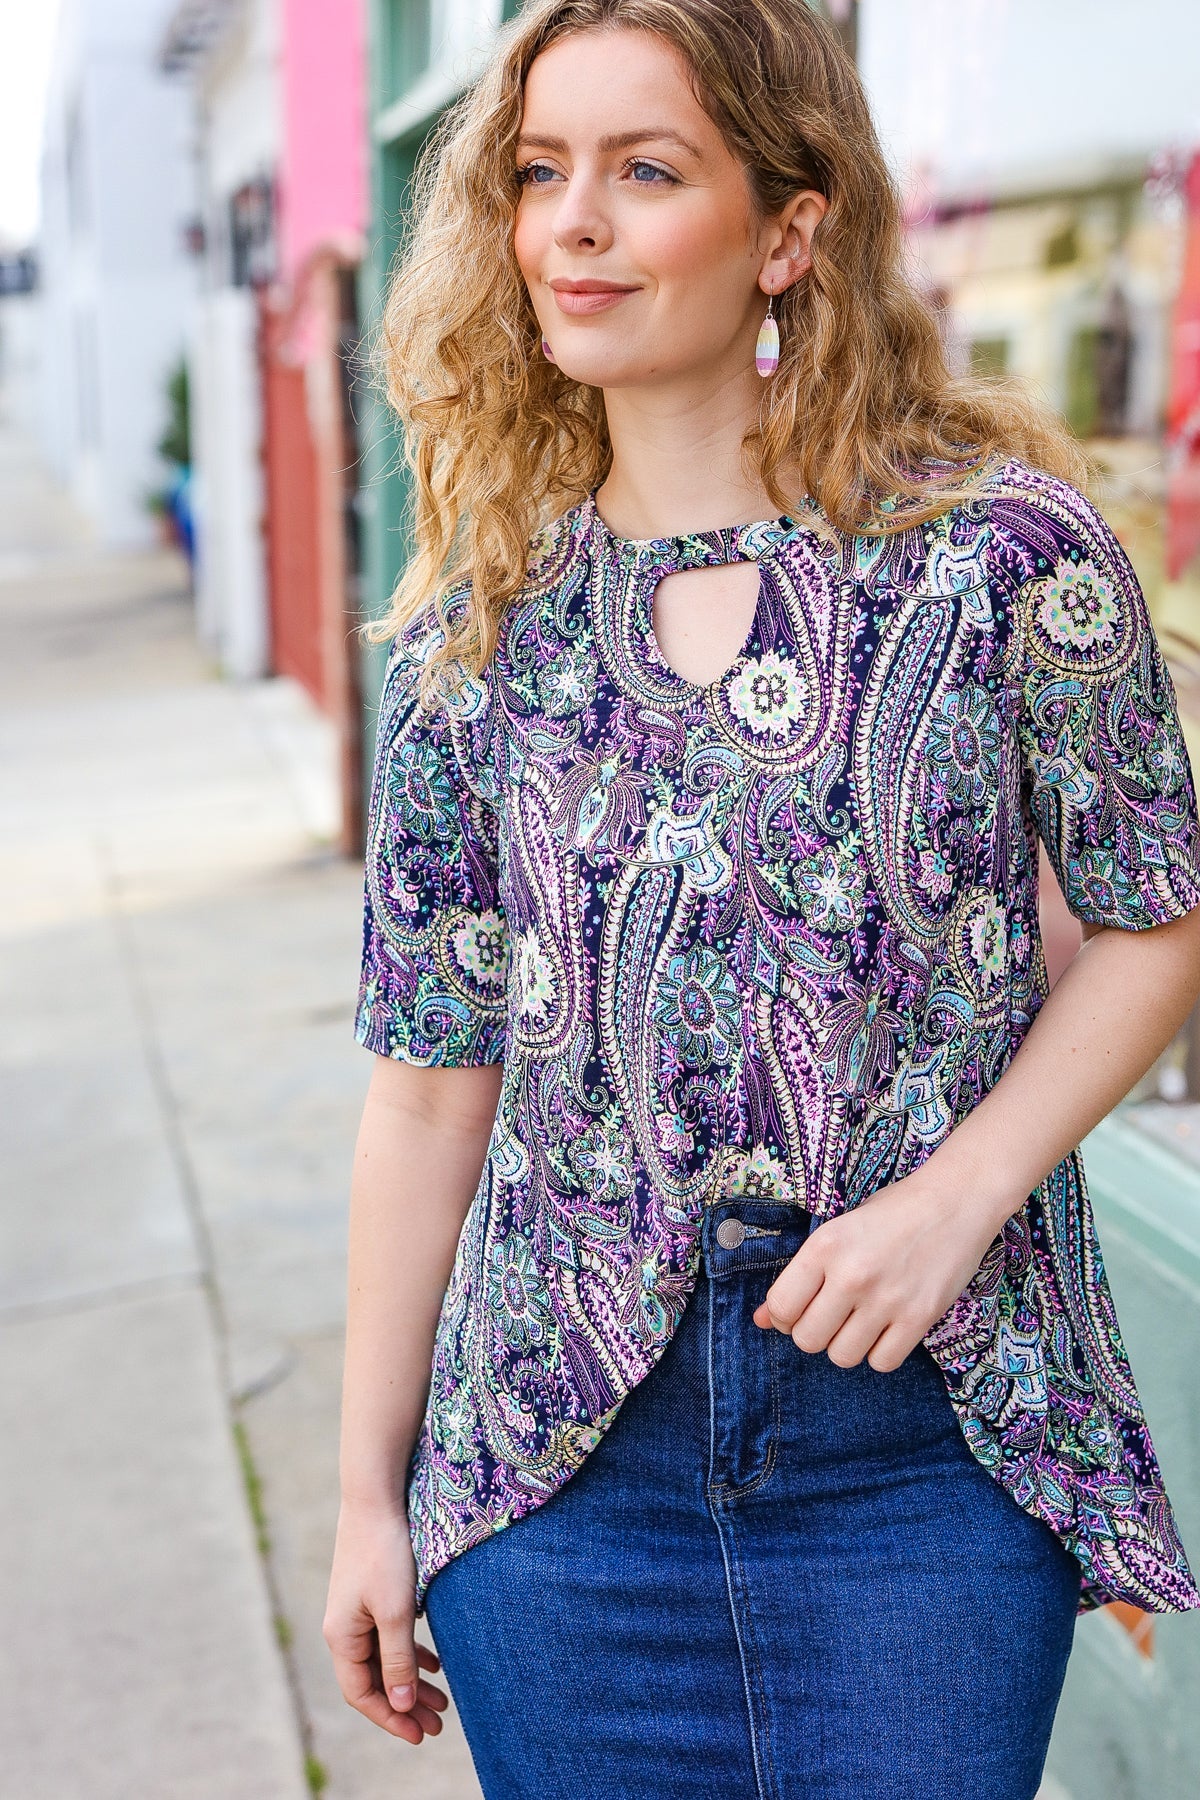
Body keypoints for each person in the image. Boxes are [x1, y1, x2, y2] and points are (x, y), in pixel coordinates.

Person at [323, 4, 1200, 1796]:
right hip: (558, 1472)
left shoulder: (1004, 559)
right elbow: (426, 1087)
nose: (574, 221)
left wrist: (964, 1195)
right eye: (539, 173)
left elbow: (1155, 916)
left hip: (925, 1458)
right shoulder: (469, 639)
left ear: (789, 228)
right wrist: (363, 1496)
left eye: (648, 171)